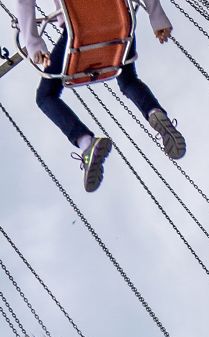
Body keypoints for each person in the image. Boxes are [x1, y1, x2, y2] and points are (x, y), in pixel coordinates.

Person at [16, 0, 186, 193]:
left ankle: (86, 143)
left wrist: (34, 44)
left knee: (46, 96)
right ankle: (154, 111)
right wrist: (157, 17)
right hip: (119, 24)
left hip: (79, 31)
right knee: (128, 79)